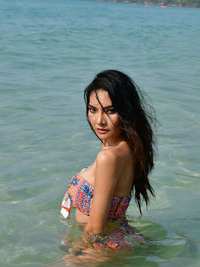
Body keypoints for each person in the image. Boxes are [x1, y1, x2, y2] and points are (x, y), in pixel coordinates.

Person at [60, 70, 156, 260]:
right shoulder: (127, 148)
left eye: (110, 111)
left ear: (126, 111)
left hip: (102, 245)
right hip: (118, 238)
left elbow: (96, 227)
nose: (100, 121)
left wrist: (75, 253)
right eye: (93, 109)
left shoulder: (109, 157)